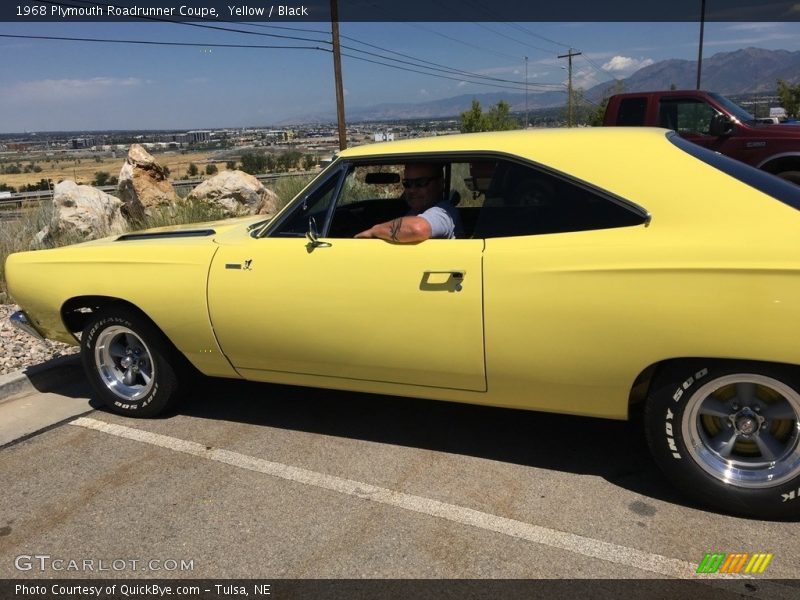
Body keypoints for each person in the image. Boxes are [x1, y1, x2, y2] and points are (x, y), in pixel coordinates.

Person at [355, 163, 463, 242]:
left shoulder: (443, 212)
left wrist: (374, 231)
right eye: (408, 183)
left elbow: (417, 228)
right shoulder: (418, 210)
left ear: (440, 184)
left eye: (420, 183)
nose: (412, 190)